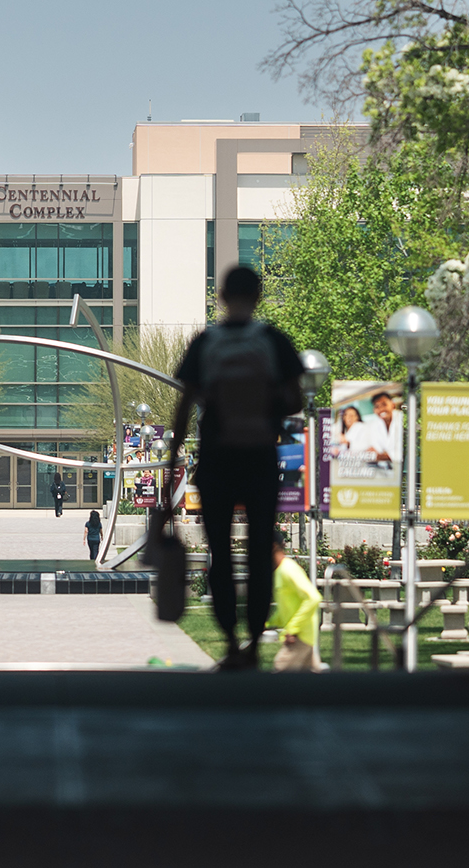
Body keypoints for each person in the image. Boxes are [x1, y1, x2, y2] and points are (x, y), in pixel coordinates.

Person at [172, 264, 306, 671]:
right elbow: (296, 401)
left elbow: (184, 406)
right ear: (260, 295)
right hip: (260, 459)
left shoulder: (206, 343)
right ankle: (252, 646)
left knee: (220, 553)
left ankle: (230, 641)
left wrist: (172, 461)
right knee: (260, 551)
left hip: (217, 460)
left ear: (222, 297)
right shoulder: (273, 341)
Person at [271, 529, 322, 672]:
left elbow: (313, 597)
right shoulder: (279, 571)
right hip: (304, 635)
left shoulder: (288, 569)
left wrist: (292, 629)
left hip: (299, 636)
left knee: (280, 668)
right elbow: (287, 608)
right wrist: (268, 623)